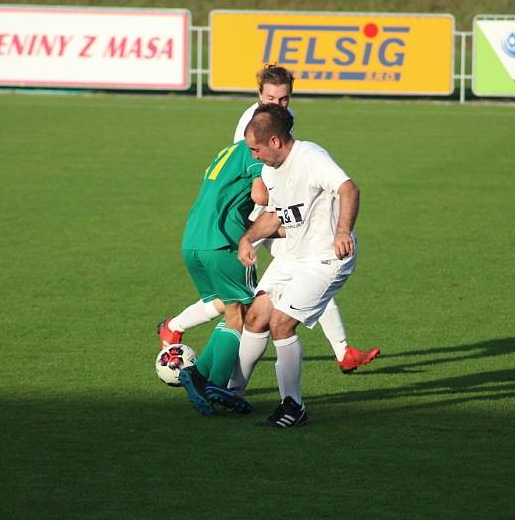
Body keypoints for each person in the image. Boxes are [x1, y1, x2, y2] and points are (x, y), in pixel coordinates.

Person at [159, 64, 379, 374]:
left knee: (302, 271)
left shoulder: (284, 120)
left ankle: (342, 351)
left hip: (278, 209)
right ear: (260, 95)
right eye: (272, 98)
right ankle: (177, 328)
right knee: (243, 299)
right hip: (255, 214)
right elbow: (257, 181)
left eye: (284, 99)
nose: (278, 104)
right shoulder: (255, 122)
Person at [232, 104, 360, 428]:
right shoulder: (269, 171)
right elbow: (278, 215)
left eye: (255, 149)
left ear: (275, 141)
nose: (254, 156)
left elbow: (349, 188)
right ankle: (233, 392)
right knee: (257, 316)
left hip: (325, 258)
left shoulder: (312, 157)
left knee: (281, 323)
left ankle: (293, 406)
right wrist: (249, 239)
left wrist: (342, 231)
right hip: (293, 255)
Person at [175, 138, 266, 416]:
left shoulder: (227, 151)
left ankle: (197, 374)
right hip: (223, 241)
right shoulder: (255, 151)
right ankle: (215, 384)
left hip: (193, 239)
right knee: (246, 313)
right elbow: (261, 196)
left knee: (231, 309)